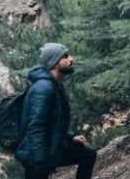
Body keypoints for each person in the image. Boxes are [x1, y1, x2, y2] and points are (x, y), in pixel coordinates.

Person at [15, 43, 97, 179]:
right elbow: (36, 127)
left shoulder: (53, 85)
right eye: (65, 56)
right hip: (36, 154)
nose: (71, 59)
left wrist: (71, 137)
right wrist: (40, 161)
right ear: (54, 63)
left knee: (88, 155)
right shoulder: (44, 89)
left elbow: (55, 122)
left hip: (52, 148)